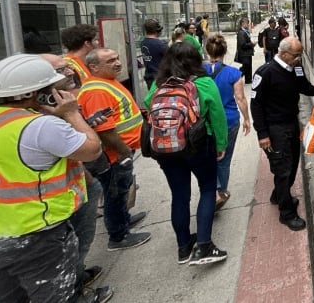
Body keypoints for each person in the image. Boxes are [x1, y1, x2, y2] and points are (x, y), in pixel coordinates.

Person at [0, 54, 110, 303]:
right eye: (53, 88)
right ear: (36, 94)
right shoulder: (40, 126)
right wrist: (71, 114)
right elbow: (92, 149)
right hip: (37, 234)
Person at [145, 41, 229, 265]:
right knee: (208, 189)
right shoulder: (203, 83)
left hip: (167, 148)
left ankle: (183, 247)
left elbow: (147, 104)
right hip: (199, 145)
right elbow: (218, 117)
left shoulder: (158, 84)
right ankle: (204, 245)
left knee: (179, 195)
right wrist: (221, 145)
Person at [39, 54, 109, 296]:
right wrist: (72, 114)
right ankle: (74, 288)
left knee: (75, 243)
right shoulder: (44, 118)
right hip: (51, 204)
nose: (69, 71)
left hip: (71, 187)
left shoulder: (54, 107)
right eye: (60, 70)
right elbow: (91, 150)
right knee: (66, 249)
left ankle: (76, 275)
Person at [250, 37, 314, 231]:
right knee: (283, 170)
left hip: (292, 124)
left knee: (292, 165)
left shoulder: (296, 69)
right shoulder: (265, 73)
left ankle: (279, 195)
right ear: (283, 54)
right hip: (275, 129)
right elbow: (256, 105)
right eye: (295, 55)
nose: (298, 59)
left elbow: (304, 87)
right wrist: (262, 135)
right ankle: (287, 214)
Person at [78, 48, 151, 251]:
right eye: (110, 61)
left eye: (117, 58)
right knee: (115, 193)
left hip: (122, 150)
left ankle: (123, 219)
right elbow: (104, 130)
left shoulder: (106, 82)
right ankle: (118, 236)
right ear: (94, 67)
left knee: (121, 189)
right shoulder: (96, 92)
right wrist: (123, 151)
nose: (117, 63)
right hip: (114, 155)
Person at [204, 35, 252, 210]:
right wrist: (247, 119)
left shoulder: (198, 71)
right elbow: (240, 99)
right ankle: (221, 191)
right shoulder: (234, 73)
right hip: (228, 121)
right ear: (225, 51)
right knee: (224, 160)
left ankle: (211, 191)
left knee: (208, 158)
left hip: (205, 123)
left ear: (207, 51)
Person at [140, 19, 168, 89]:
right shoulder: (161, 44)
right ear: (158, 30)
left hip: (149, 76)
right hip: (160, 77)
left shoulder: (143, 42)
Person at [235, 17, 256, 84]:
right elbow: (243, 44)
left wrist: (251, 44)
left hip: (247, 52)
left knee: (249, 66)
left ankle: (248, 79)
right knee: (246, 66)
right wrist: (251, 44)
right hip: (244, 53)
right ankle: (237, 77)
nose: (248, 25)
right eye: (247, 23)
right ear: (243, 24)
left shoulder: (245, 32)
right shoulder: (241, 33)